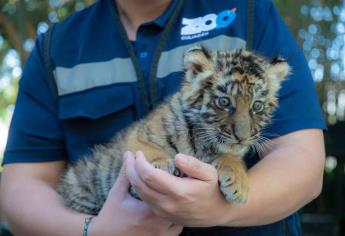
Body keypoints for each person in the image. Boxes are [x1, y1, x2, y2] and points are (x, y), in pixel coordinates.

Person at [0, 0, 326, 235]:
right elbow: (20, 188)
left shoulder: (250, 12)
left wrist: (219, 208)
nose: (242, 129)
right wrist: (93, 232)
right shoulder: (56, 47)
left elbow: (303, 161)